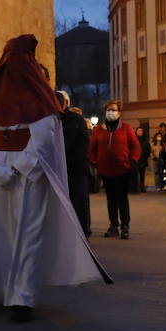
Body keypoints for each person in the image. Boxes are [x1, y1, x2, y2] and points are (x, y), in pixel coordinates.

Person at [0, 35, 108, 322]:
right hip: (0, 177)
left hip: (28, 176)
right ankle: (10, 291)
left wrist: (16, 169)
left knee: (27, 235)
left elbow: (43, 141)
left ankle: (23, 297)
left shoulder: (42, 103)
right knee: (3, 234)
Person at [88, 100, 140, 239]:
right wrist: (95, 162)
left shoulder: (126, 128)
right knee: (111, 199)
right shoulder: (98, 130)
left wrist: (132, 160)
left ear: (119, 112)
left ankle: (125, 226)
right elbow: (92, 148)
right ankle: (113, 226)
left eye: (113, 110)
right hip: (105, 170)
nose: (111, 112)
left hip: (123, 169)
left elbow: (135, 146)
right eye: (108, 110)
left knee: (122, 199)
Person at [55, 90, 92, 237]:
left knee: (80, 203)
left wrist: (69, 161)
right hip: (58, 170)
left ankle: (83, 233)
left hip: (75, 171)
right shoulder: (50, 119)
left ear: (65, 104)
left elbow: (83, 144)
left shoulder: (77, 120)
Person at [152, 123, 166, 192]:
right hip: (155, 160)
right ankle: (158, 186)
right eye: (161, 127)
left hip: (164, 159)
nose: (162, 129)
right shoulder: (153, 143)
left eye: (164, 127)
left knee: (164, 173)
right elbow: (151, 151)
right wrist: (153, 157)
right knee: (157, 173)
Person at [133, 123, 151, 193]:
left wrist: (145, 155)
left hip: (143, 160)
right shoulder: (133, 140)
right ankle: (136, 187)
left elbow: (148, 149)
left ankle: (142, 187)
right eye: (138, 131)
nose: (140, 132)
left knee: (142, 174)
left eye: (141, 131)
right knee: (135, 174)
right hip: (135, 160)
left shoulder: (145, 140)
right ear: (136, 132)